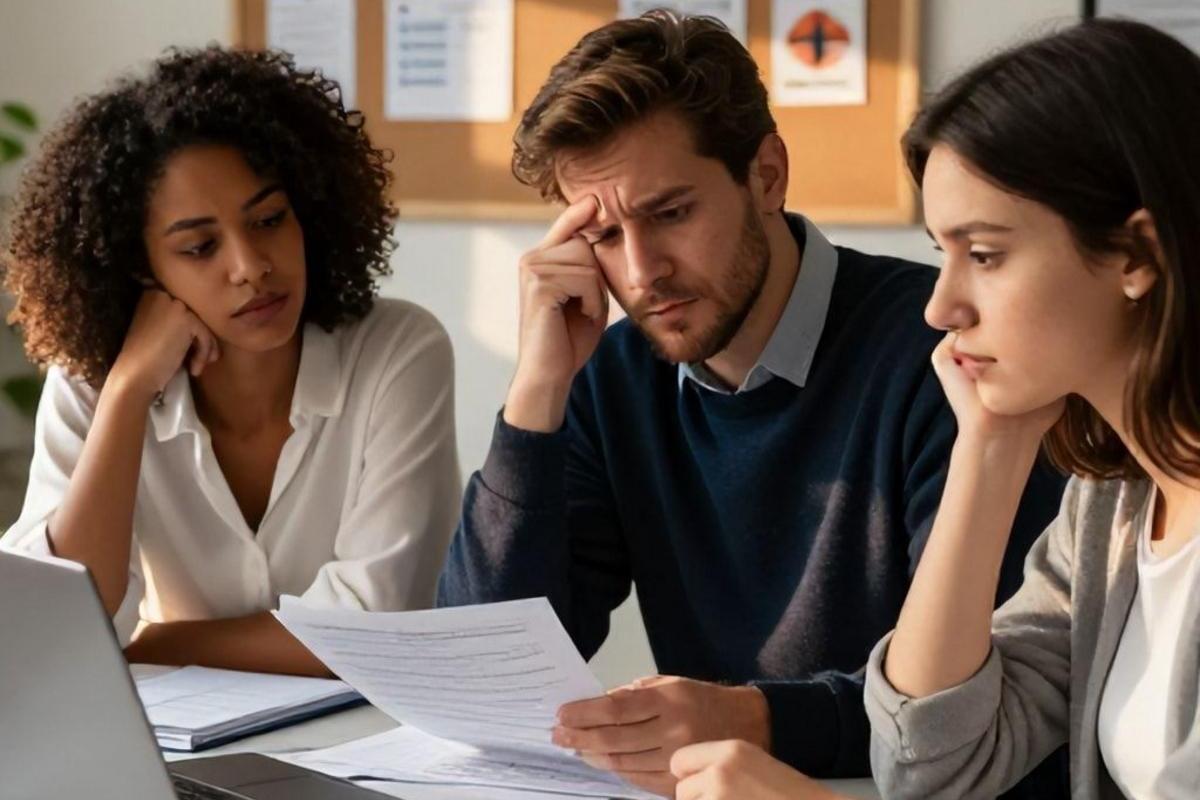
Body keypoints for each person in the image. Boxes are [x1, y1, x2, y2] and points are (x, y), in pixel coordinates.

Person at [437, 11, 1065, 796]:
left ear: (766, 174)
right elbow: (487, 669)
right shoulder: (610, 373)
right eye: (601, 235)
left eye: (670, 214)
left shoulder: (951, 361)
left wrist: (752, 719)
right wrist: (535, 395)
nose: (640, 274)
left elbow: (997, 698)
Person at [0, 47, 461, 677]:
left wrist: (161, 644)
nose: (251, 266)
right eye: (199, 246)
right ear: (141, 267)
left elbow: (374, 624)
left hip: (367, 747)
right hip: (181, 757)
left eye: (270, 219)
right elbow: (60, 622)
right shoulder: (93, 380)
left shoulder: (398, 352)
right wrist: (129, 391)